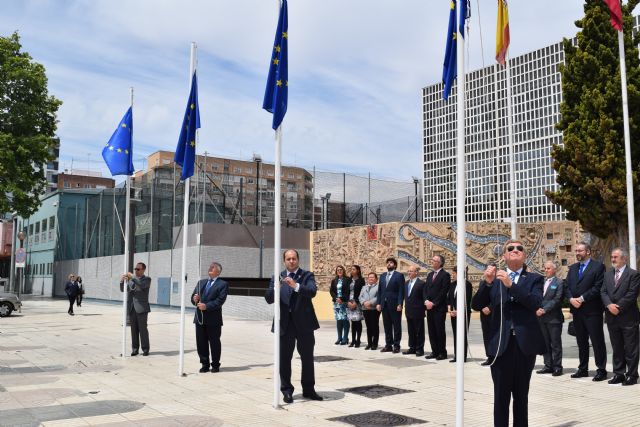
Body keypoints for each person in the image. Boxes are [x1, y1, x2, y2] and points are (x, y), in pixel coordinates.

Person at [471, 240, 546, 427]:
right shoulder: (494, 280)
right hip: (500, 345)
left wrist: (511, 284)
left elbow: (535, 302)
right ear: (504, 256)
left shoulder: (534, 279)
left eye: (519, 248)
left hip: (524, 345)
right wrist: (487, 284)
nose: (515, 250)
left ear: (524, 255)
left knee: (521, 396)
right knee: (501, 396)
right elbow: (476, 305)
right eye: (510, 248)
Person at [265, 249, 323, 403]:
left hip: (304, 324)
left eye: (294, 258)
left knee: (307, 358)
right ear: (284, 261)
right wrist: (276, 286)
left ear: (298, 260)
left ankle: (309, 390)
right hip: (285, 324)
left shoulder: (307, 275)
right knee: (284, 359)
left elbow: (312, 291)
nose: (291, 261)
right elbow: (268, 298)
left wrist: (296, 285)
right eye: (288, 259)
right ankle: (286, 391)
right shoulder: (277, 277)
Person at [564, 242, 607, 381]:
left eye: (580, 250)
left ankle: (601, 370)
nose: (577, 252)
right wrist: (570, 299)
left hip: (592, 311)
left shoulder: (598, 267)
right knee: (581, 342)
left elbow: (598, 287)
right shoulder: (573, 268)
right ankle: (583, 369)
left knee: (597, 341)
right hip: (576, 312)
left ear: (588, 252)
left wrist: (581, 299)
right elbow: (567, 286)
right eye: (576, 250)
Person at [601, 248, 640, 386]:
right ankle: (619, 374)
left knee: (631, 348)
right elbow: (603, 292)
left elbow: (632, 294)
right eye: (612, 257)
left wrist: (618, 307)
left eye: (616, 257)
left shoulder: (633, 274)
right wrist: (609, 305)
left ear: (624, 259)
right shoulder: (607, 275)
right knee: (616, 347)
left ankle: (632, 375)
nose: (613, 259)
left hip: (628, 317)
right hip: (612, 317)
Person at [191, 261, 229, 373]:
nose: (210, 268)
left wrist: (206, 306)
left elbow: (220, 301)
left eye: (213, 267)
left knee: (214, 343)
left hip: (213, 319)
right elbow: (193, 299)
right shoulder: (201, 283)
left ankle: (216, 365)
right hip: (199, 318)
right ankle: (204, 364)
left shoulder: (223, 284)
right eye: (210, 266)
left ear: (218, 271)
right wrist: (195, 299)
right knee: (201, 343)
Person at [535, 261, 564, 376]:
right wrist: (536, 308)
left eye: (548, 268)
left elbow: (557, 299)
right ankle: (548, 365)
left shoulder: (559, 282)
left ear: (554, 270)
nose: (545, 270)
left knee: (555, 344)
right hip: (541, 318)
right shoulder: (540, 282)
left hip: (554, 319)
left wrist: (544, 309)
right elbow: (535, 296)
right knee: (545, 343)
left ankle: (557, 367)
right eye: (545, 268)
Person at [119, 262, 151, 356]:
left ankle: (145, 349)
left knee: (143, 329)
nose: (136, 271)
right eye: (135, 269)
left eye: (138, 269)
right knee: (134, 330)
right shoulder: (131, 280)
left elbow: (141, 285)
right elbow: (123, 290)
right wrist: (122, 281)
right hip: (132, 308)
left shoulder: (147, 279)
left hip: (142, 308)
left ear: (143, 270)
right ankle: (135, 349)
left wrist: (132, 277)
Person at [423, 255, 450, 360]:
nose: (432, 262)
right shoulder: (430, 275)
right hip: (429, 308)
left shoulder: (445, 275)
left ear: (440, 263)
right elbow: (425, 289)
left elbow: (443, 292)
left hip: (438, 308)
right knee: (431, 330)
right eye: (432, 260)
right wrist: (426, 301)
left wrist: (433, 303)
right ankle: (434, 351)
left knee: (439, 330)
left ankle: (442, 352)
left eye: (434, 260)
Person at [376, 257, 404, 353]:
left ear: (395, 265)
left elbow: (401, 290)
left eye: (391, 263)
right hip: (385, 305)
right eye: (387, 263)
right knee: (387, 326)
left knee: (396, 326)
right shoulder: (383, 276)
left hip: (395, 305)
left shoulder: (399, 275)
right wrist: (379, 303)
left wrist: (400, 303)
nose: (389, 264)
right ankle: (388, 345)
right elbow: (380, 291)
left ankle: (396, 345)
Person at [448, 268, 472, 363]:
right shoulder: (453, 284)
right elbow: (449, 298)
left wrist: (459, 311)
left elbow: (467, 299)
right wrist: (449, 308)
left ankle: (463, 356)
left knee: (463, 334)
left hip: (463, 314)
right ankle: (456, 355)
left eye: (454, 273)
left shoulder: (467, 284)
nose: (452, 275)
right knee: (456, 334)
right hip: (453, 314)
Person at [403, 266, 426, 356]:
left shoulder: (421, 283)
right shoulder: (406, 283)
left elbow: (424, 297)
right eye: (408, 271)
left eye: (411, 271)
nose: (409, 273)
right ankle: (412, 347)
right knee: (411, 330)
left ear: (416, 272)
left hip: (418, 311)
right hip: (408, 310)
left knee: (419, 331)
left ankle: (420, 349)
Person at [472, 279, 494, 366]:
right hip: (484, 314)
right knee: (487, 335)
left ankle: (496, 356)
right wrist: (481, 307)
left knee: (495, 336)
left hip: (495, 313)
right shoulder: (483, 283)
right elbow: (479, 296)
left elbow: (500, 297)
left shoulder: (499, 281)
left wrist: (490, 307)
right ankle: (490, 356)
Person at [330, 265, 351, 345]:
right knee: (339, 320)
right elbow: (331, 291)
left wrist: (341, 299)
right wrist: (336, 298)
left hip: (344, 302)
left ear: (343, 270)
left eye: (341, 269)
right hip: (337, 303)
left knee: (345, 320)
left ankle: (345, 338)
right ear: (336, 271)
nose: (339, 271)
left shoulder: (347, 280)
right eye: (338, 270)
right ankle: (339, 338)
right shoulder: (334, 280)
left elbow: (348, 291)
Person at [360, 272, 380, 350]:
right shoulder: (364, 287)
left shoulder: (378, 287)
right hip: (365, 309)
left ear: (376, 279)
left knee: (374, 326)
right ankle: (369, 343)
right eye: (369, 277)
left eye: (372, 277)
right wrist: (364, 303)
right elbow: (360, 296)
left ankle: (374, 344)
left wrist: (370, 303)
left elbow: (378, 296)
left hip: (374, 309)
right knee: (368, 327)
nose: (371, 279)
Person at [347, 265, 365, 348]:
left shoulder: (361, 280)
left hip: (357, 303)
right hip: (349, 303)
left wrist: (356, 302)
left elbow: (362, 293)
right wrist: (348, 302)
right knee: (352, 322)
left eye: (353, 269)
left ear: (358, 270)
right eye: (351, 269)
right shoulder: (348, 280)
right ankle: (353, 340)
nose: (352, 270)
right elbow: (346, 292)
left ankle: (358, 340)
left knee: (358, 322)